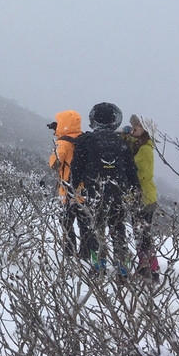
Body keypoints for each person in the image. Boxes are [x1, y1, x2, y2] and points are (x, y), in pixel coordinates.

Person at [69, 102, 139, 275]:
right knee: (118, 228)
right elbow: (131, 168)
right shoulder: (120, 141)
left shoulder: (86, 140)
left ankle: (99, 266)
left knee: (96, 229)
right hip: (118, 191)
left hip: (94, 190)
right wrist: (135, 188)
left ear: (94, 120)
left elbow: (76, 167)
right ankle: (123, 268)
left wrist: (74, 187)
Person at [122, 114, 159, 281]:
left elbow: (139, 173)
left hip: (143, 199)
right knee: (141, 234)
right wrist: (124, 135)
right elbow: (127, 144)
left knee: (143, 235)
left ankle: (151, 269)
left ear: (145, 131)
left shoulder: (145, 150)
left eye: (137, 126)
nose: (134, 127)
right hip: (139, 198)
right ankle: (146, 266)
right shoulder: (138, 144)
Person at [48, 110, 89, 260]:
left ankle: (70, 251)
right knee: (85, 224)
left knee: (66, 223)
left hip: (67, 189)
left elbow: (54, 164)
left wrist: (58, 142)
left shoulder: (63, 142)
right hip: (84, 190)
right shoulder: (84, 139)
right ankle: (85, 253)